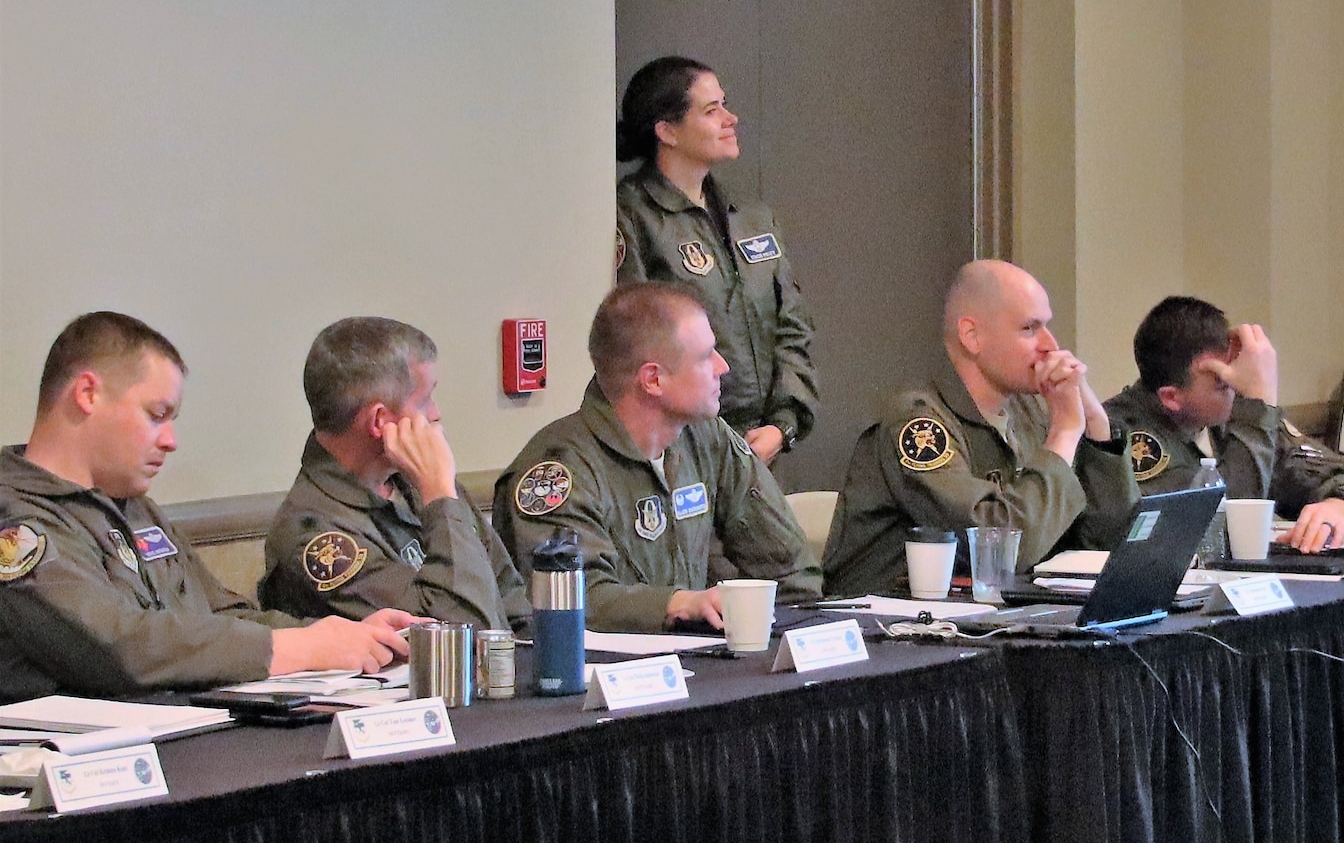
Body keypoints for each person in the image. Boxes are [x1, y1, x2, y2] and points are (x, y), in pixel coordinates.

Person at [0, 313, 416, 703]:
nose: (170, 440)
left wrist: (339, 636)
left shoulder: (135, 509)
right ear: (88, 393)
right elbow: (117, 644)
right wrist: (299, 647)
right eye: (157, 415)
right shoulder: (16, 525)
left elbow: (220, 614)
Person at [493, 283, 821, 632]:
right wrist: (678, 603)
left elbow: (789, 567)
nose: (722, 367)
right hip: (603, 676)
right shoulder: (558, 471)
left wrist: (806, 629)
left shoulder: (706, 437)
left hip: (699, 665)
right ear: (653, 379)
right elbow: (574, 599)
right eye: (705, 355)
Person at [821, 260, 1139, 597]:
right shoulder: (918, 424)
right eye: (1029, 329)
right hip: (893, 631)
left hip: (996, 619)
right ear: (972, 336)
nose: (1051, 344)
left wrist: (1096, 428)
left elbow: (1110, 543)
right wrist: (1063, 434)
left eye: (1047, 326)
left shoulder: (1031, 412)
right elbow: (1003, 550)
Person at [260, 318, 529, 633]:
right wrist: (441, 499)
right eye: (425, 400)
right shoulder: (316, 540)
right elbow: (457, 636)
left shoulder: (416, 479)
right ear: (380, 422)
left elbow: (512, 601)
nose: (436, 414)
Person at [615, 55, 816, 464]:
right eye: (712, 110)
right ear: (667, 130)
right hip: (680, 455)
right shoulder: (631, 216)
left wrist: (783, 423)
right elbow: (633, 344)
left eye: (724, 104)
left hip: (761, 452)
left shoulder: (754, 218)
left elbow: (793, 328)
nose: (731, 118)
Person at [1103, 297, 1344, 550]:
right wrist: (1258, 405)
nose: (1240, 387)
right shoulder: (1119, 436)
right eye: (1224, 382)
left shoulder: (1223, 415)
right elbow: (1217, 528)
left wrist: (1342, 503)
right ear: (1171, 397)